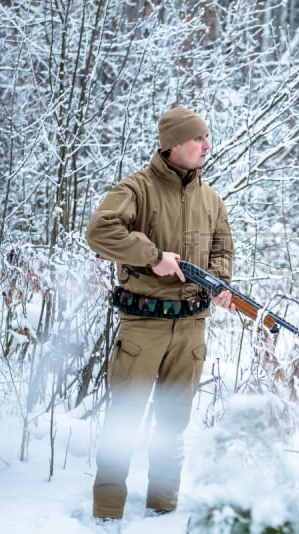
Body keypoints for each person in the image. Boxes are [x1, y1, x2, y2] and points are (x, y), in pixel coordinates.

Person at [85, 107, 235, 521]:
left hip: (191, 329)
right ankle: (107, 513)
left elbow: (222, 250)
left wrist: (219, 285)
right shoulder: (136, 188)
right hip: (142, 327)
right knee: (125, 421)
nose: (207, 145)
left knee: (173, 424)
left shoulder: (212, 200)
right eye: (198, 139)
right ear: (173, 146)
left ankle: (163, 510)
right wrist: (152, 257)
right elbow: (100, 231)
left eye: (208, 138)